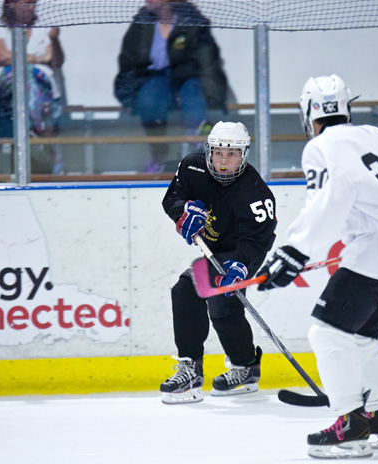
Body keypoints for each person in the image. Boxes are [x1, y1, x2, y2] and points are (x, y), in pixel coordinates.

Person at [257, 75, 378, 459]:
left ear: (309, 112)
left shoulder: (321, 146)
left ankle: (349, 423)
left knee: (326, 335)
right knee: (360, 339)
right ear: (346, 107)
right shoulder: (375, 135)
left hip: (373, 252)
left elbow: (330, 197)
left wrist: (293, 251)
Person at [160, 121, 276, 404]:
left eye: (232, 154)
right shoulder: (192, 167)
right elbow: (172, 198)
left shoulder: (255, 192)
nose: (224, 161)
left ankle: (240, 367)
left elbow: (258, 238)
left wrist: (241, 265)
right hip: (213, 248)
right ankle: (228, 366)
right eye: (219, 153)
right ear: (209, 151)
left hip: (242, 251)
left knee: (217, 302)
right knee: (192, 294)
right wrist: (183, 214)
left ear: (244, 154)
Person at [113, 0, 228, 174]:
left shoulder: (192, 22)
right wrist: (127, 95)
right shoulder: (141, 24)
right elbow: (128, 61)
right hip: (155, 79)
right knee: (150, 98)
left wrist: (215, 95)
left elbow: (208, 61)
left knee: (193, 93)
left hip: (186, 78)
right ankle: (159, 152)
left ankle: (198, 153)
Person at [0, 0, 66, 173]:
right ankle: (33, 132)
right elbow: (0, 55)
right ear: (11, 4)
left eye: (33, 3)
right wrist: (37, 59)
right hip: (6, 95)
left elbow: (55, 61)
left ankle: (32, 132)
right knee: (23, 75)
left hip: (44, 91)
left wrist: (54, 40)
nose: (31, 7)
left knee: (32, 78)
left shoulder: (44, 28)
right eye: (26, 3)